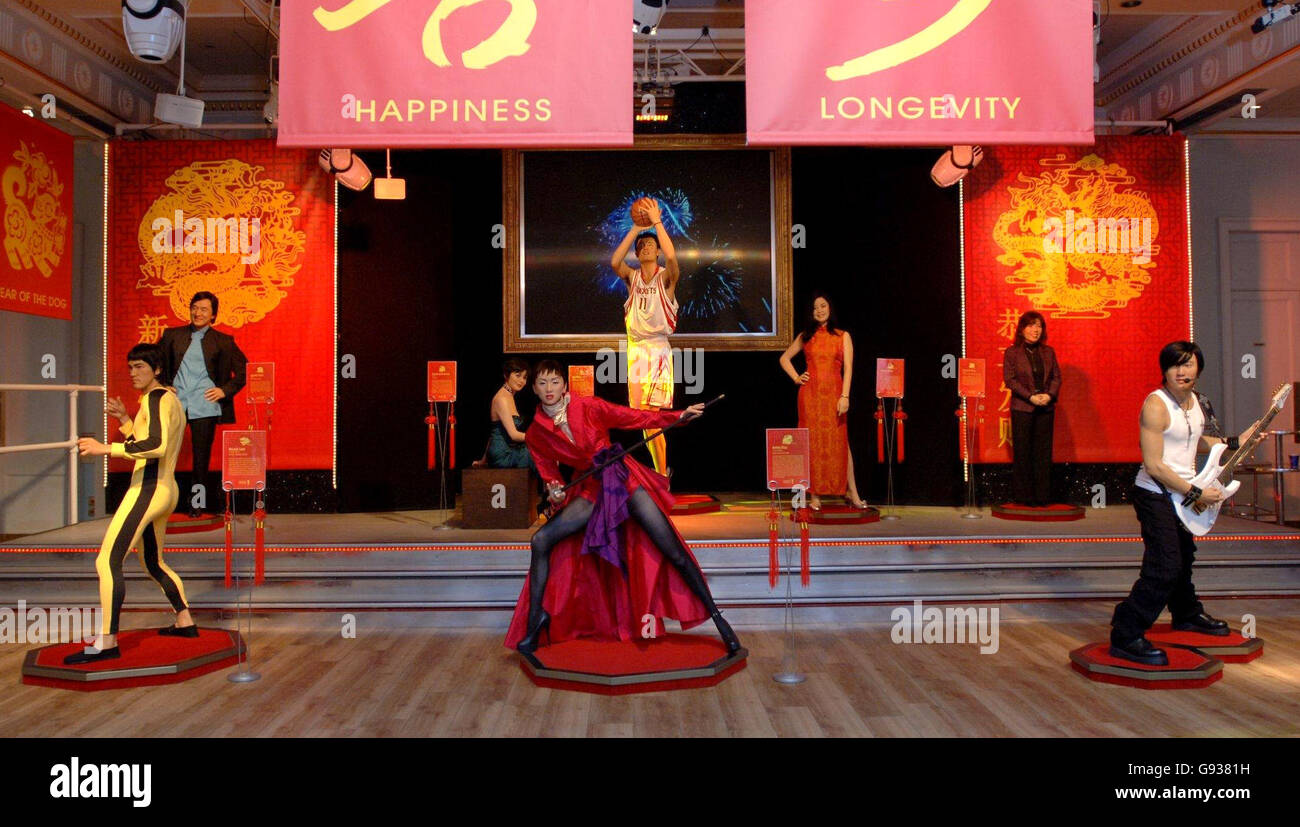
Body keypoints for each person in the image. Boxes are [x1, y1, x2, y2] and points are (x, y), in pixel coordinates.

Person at [505, 361, 740, 655]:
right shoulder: (536, 431)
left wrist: (678, 416)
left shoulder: (589, 406)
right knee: (540, 540)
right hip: (590, 489)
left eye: (554, 382)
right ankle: (535, 622)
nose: (549, 389)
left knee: (672, 550)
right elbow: (548, 471)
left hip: (621, 480)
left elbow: (634, 417)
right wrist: (553, 489)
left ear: (564, 385)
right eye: (542, 383)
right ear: (534, 388)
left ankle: (719, 619)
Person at [1109, 342, 1258, 666]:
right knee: (1165, 565)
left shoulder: (1195, 403)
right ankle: (1126, 632)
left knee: (1184, 556)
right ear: (1164, 370)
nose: (1182, 371)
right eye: (1176, 365)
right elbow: (1154, 465)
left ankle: (1186, 615)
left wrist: (1235, 442)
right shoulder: (1156, 405)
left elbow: (1193, 438)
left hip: (1185, 490)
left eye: (1189, 364)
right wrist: (1195, 494)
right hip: (1156, 492)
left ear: (1198, 369)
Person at [66, 344, 196, 665]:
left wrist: (103, 448)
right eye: (131, 367)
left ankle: (107, 642)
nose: (133, 373)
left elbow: (155, 445)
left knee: (107, 561)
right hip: (164, 488)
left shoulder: (156, 398)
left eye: (140, 366)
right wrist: (125, 418)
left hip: (149, 489)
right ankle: (184, 621)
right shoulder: (166, 399)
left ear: (157, 369)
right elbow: (146, 439)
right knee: (153, 563)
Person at [158, 291, 247, 517]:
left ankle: (197, 504)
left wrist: (224, 391)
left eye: (204, 309)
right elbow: (154, 363)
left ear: (213, 315)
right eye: (195, 308)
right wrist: (162, 385)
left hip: (205, 406)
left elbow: (245, 371)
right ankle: (161, 501)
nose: (198, 313)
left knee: (200, 459)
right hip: (176, 403)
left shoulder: (223, 341)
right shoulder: (172, 335)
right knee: (164, 453)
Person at [609, 199, 678, 479]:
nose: (645, 247)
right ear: (637, 254)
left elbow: (673, 259)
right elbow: (615, 261)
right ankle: (662, 471)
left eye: (650, 245)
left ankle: (661, 474)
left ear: (658, 251)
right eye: (641, 246)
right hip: (636, 351)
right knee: (643, 420)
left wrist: (657, 222)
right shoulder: (632, 278)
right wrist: (635, 228)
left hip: (658, 351)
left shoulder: (666, 279)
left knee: (652, 416)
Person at [778, 292, 867, 511]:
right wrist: (797, 377)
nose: (819, 310)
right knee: (811, 445)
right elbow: (784, 358)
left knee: (841, 444)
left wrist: (845, 396)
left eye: (823, 306)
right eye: (815, 307)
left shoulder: (842, 335)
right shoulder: (806, 336)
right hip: (810, 397)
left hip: (835, 396)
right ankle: (814, 495)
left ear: (830, 308)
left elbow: (849, 369)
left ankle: (852, 492)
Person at [1002, 311, 1062, 506]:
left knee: (1042, 453)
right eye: (1031, 326)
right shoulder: (1012, 352)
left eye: (1039, 326)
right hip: (1023, 408)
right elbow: (1010, 380)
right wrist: (1030, 397)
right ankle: (1024, 498)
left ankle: (1043, 497)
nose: (1035, 330)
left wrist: (1049, 395)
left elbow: (1056, 377)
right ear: (1021, 329)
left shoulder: (1048, 352)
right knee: (1023, 452)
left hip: (1046, 408)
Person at [483, 358, 533, 469]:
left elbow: (494, 431)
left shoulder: (509, 396)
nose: (521, 381)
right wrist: (540, 439)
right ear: (506, 375)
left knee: (539, 451)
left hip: (509, 450)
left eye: (525, 377)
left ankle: (551, 485)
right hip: (503, 455)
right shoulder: (502, 399)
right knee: (536, 453)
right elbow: (514, 435)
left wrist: (483, 460)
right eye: (518, 375)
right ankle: (553, 486)